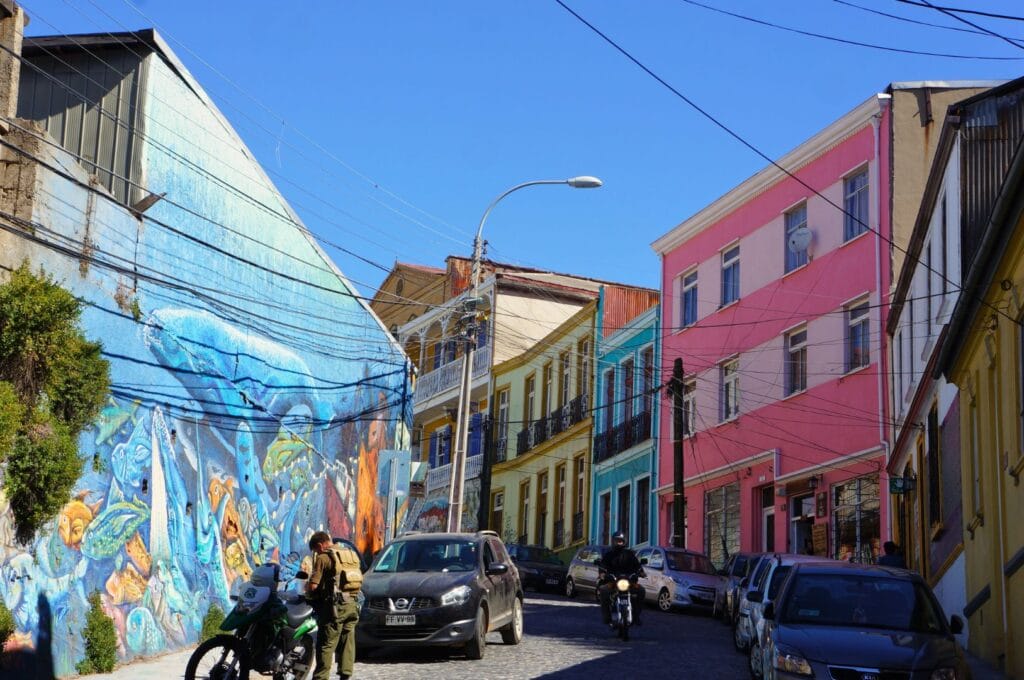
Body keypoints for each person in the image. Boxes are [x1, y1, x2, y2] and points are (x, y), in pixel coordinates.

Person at [306, 531, 362, 680]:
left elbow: (313, 586)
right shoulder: (350, 554)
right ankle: (345, 675)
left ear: (319, 545)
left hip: (335, 608)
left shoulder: (324, 557)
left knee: (326, 645)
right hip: (352, 605)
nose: (316, 553)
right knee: (347, 643)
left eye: (316, 550)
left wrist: (307, 591)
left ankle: (320, 677)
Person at [597, 530, 645, 627]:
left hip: (629, 582)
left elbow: (637, 566)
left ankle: (636, 616)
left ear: (624, 541)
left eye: (621, 541)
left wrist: (641, 572)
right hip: (613, 582)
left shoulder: (630, 554)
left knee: (641, 590)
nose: (619, 542)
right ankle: (607, 616)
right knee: (603, 590)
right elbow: (603, 565)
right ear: (613, 541)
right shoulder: (609, 555)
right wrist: (602, 573)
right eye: (617, 540)